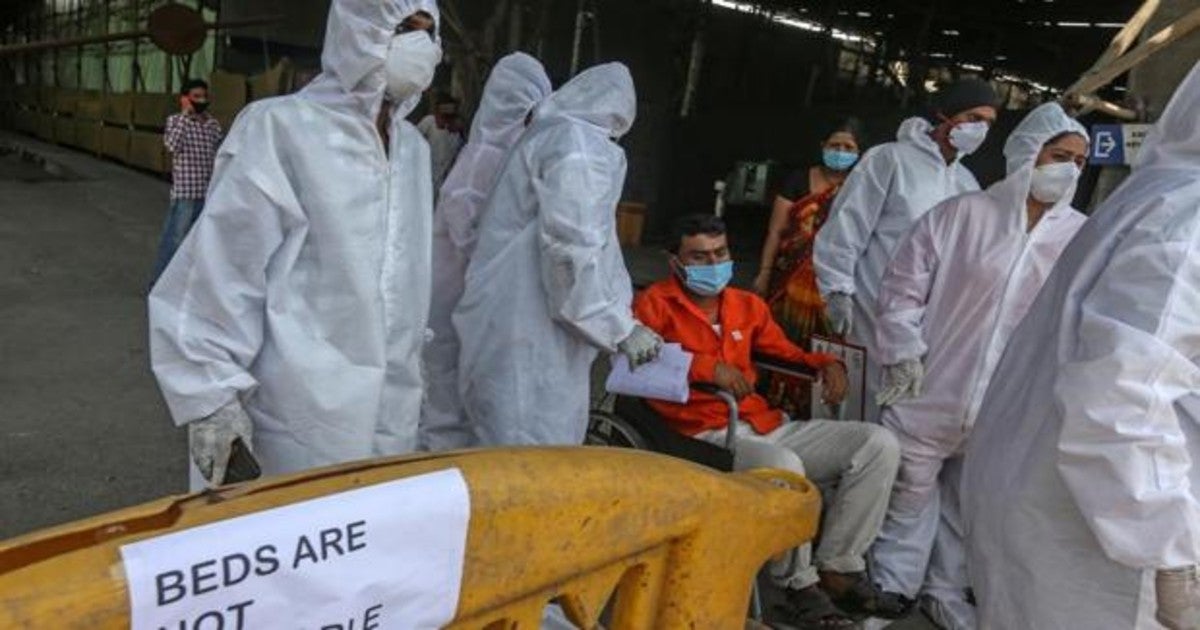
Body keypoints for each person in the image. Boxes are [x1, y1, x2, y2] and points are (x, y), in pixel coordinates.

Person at [149, 0, 443, 489]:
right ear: (359, 32)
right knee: (289, 544)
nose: (421, 47)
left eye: (429, 34)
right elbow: (220, 270)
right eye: (404, 28)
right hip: (296, 412)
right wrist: (211, 396)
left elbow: (408, 279)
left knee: (368, 551)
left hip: (391, 413)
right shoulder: (281, 128)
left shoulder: (412, 149)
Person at [961, 63, 1200, 630]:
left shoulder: (1157, 196)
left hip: (1061, 520)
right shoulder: (1187, 223)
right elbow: (1120, 399)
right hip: (1104, 556)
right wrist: (1177, 560)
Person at [868, 103, 1090, 629]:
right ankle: (888, 593)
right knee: (907, 496)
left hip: (1006, 404)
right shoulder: (960, 215)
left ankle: (945, 591)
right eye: (1059, 156)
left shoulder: (1080, 236)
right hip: (930, 391)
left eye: (1080, 162)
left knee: (970, 507)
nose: (1069, 170)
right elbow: (901, 292)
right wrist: (902, 353)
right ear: (1025, 154)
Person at [635, 214, 905, 628]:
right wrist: (706, 368)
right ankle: (798, 585)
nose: (713, 264)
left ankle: (839, 566)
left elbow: (784, 352)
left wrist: (825, 362)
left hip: (763, 423)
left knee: (877, 443)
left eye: (720, 253)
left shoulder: (747, 305)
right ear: (675, 261)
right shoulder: (653, 304)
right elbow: (635, 363)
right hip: (703, 432)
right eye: (699, 257)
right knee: (783, 466)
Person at [453, 62, 662, 448]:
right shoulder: (577, 146)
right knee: (531, 461)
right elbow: (572, 249)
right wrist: (617, 327)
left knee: (499, 451)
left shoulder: (547, 137)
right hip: (530, 337)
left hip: (511, 325)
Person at [814, 78, 997, 424]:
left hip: (927, 316)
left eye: (988, 123)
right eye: (973, 117)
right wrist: (837, 288)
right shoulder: (889, 160)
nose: (981, 129)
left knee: (908, 405)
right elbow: (847, 226)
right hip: (872, 302)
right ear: (945, 115)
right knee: (864, 399)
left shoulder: (967, 183)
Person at [419, 53, 552, 452]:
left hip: (473, 297)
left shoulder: (505, 158)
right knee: (446, 402)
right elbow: (472, 240)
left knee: (470, 396)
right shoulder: (484, 158)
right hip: (454, 298)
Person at [754, 120, 863, 417]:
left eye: (848, 147)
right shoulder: (798, 180)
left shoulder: (862, 186)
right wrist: (764, 273)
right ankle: (772, 407)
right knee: (781, 342)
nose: (841, 152)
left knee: (826, 347)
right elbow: (776, 232)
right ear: (823, 147)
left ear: (859, 152)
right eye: (835, 145)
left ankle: (812, 412)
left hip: (832, 289)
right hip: (787, 282)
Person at [151, 79, 222, 285]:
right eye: (196, 96)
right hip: (185, 195)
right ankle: (158, 284)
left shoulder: (212, 125)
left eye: (204, 96)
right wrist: (185, 116)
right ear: (185, 99)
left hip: (206, 194)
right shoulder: (175, 121)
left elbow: (219, 154)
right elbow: (172, 146)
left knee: (198, 243)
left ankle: (186, 286)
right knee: (174, 241)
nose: (201, 100)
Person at [417, 92, 466, 196]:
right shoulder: (429, 122)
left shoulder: (457, 131)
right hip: (425, 175)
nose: (446, 119)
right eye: (444, 115)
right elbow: (413, 140)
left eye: (450, 115)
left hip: (445, 180)